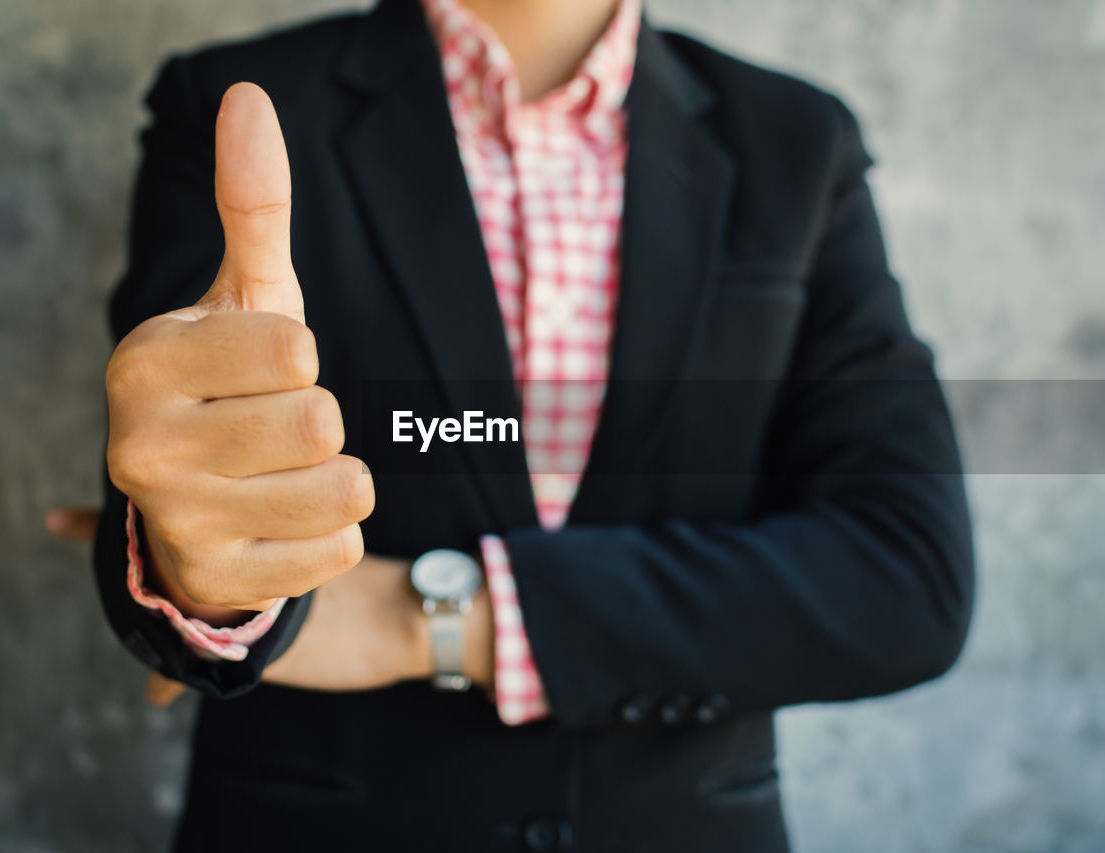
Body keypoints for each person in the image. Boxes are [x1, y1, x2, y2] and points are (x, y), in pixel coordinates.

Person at [65, 0, 975, 848]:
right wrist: (205, 576)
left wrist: (422, 619)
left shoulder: (796, 142)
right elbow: (177, 486)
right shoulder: (242, 113)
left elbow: (906, 574)